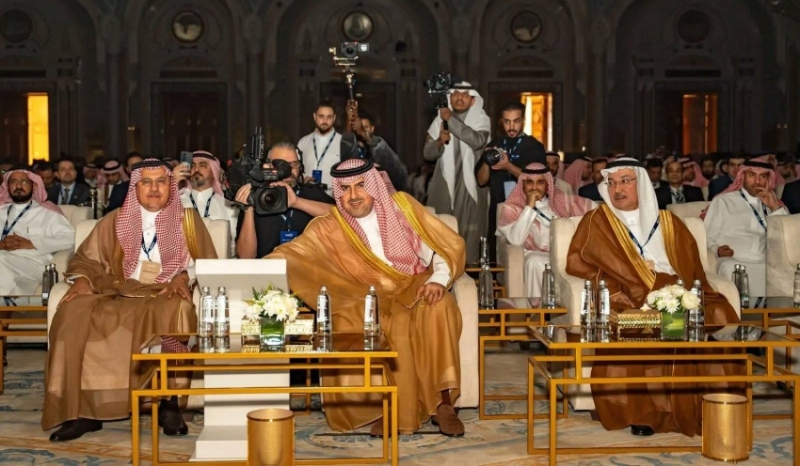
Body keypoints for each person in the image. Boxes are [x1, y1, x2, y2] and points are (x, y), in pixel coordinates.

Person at [268, 158, 466, 437]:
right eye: (345, 188)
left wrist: (438, 280)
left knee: (440, 306)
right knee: (356, 319)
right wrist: (255, 269)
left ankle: (443, 404)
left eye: (361, 185)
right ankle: (389, 407)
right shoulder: (332, 226)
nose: (353, 195)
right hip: (369, 295)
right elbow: (295, 253)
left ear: (374, 185)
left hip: (414, 283)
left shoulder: (403, 208)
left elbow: (439, 247)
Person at [42, 159, 218, 442]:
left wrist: (184, 276)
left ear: (171, 186)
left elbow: (208, 261)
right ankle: (85, 412)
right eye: (146, 182)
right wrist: (83, 280)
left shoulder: (187, 220)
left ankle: (169, 403)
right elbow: (87, 259)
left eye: (161, 181)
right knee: (74, 311)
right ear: (135, 187)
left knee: (178, 309)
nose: (154, 188)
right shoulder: (114, 220)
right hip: (117, 291)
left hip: (163, 293)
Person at [566, 157, 740, 437]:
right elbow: (576, 263)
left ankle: (711, 401)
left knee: (714, 314)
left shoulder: (669, 222)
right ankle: (646, 412)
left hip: (674, 288)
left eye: (625, 181)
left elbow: (691, 265)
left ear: (642, 184)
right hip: (628, 294)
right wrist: (616, 284)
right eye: (612, 183)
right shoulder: (597, 222)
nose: (617, 189)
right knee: (645, 325)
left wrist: (677, 288)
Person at [497, 163, 594, 296]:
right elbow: (516, 240)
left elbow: (596, 210)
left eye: (540, 182)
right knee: (534, 262)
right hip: (537, 255)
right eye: (529, 182)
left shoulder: (561, 202)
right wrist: (529, 207)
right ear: (522, 184)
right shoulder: (512, 208)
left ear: (547, 184)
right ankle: (538, 307)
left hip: (565, 255)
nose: (534, 187)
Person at [424, 81, 490, 264]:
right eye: (455, 94)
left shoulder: (481, 118)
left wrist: (451, 120)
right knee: (442, 235)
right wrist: (439, 141)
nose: (460, 98)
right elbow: (427, 154)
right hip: (444, 185)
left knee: (471, 237)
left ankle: (471, 277)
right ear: (449, 97)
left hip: (472, 188)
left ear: (473, 100)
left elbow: (477, 141)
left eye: (465, 94)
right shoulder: (439, 120)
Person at [704, 158, 788, 300]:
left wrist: (774, 207)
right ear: (742, 176)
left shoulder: (774, 204)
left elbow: (787, 238)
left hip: (765, 260)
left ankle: (777, 313)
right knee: (732, 269)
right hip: (733, 259)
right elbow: (706, 236)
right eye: (752, 175)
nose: (757, 181)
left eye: (762, 176)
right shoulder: (723, 201)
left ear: (768, 179)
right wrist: (717, 250)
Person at [235, 142, 335, 258]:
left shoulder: (311, 193)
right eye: (281, 165)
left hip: (305, 267)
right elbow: (245, 257)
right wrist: (248, 211)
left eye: (294, 164)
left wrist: (298, 202)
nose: (289, 170)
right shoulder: (255, 197)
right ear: (267, 167)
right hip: (267, 268)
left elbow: (341, 216)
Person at [475, 102, 546, 262]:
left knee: (522, 254)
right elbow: (481, 180)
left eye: (516, 121)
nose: (511, 127)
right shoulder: (495, 145)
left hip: (525, 209)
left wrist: (508, 166)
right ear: (502, 121)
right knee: (496, 255)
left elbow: (537, 181)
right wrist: (487, 160)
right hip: (498, 209)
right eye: (507, 122)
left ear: (523, 121)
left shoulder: (534, 146)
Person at [0, 169, 74, 295]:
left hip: (36, 263)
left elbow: (71, 238)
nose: (18, 185)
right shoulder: (1, 210)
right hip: (6, 259)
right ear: (7, 186)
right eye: (14, 182)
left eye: (24, 181)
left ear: (34, 186)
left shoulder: (48, 213)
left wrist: (32, 243)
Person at [175, 151, 238, 255]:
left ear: (214, 171)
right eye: (193, 165)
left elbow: (233, 244)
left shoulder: (228, 205)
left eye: (203, 165)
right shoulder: (177, 201)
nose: (196, 169)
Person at [340, 101, 407, 192]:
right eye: (357, 127)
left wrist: (364, 133)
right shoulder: (350, 149)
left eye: (365, 127)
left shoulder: (381, 148)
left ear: (372, 128)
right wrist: (349, 121)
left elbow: (399, 173)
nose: (360, 130)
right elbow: (347, 149)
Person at [297, 102, 342, 194]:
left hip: (333, 197)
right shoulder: (303, 142)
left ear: (334, 118)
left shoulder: (343, 143)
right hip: (307, 196)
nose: (325, 120)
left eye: (329, 117)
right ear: (314, 116)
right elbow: (295, 170)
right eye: (321, 116)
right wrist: (302, 180)